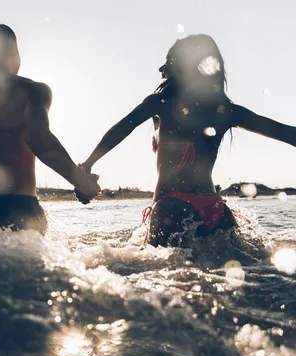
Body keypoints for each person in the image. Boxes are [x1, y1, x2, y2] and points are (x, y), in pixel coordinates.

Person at [80, 34, 296, 247]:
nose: (161, 69)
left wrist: (87, 166)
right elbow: (286, 133)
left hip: (171, 206)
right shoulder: (227, 110)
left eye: (169, 61)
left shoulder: (160, 102)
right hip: (217, 210)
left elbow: (121, 129)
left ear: (183, 65)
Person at [0, 24, 100, 234]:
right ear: (15, 54)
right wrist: (82, 181)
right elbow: (40, 141)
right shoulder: (33, 90)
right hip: (18, 209)